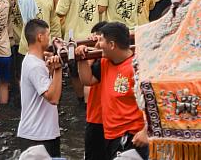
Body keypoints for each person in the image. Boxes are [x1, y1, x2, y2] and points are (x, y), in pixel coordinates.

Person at [76, 21, 148, 160]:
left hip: (131, 136)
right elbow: (88, 80)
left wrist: (146, 131)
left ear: (112, 45)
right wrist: (82, 59)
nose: (98, 44)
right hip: (109, 134)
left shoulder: (137, 67)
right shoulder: (105, 62)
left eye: (101, 40)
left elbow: (153, 103)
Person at [17, 19, 62, 157]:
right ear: (40, 37)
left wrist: (51, 70)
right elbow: (53, 98)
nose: (49, 38)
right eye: (48, 35)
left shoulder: (33, 60)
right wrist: (58, 70)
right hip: (38, 136)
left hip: (43, 133)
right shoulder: (35, 65)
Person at [83, 22, 108, 160]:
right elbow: (86, 83)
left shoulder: (112, 59)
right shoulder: (95, 58)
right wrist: (92, 51)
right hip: (96, 117)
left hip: (111, 120)